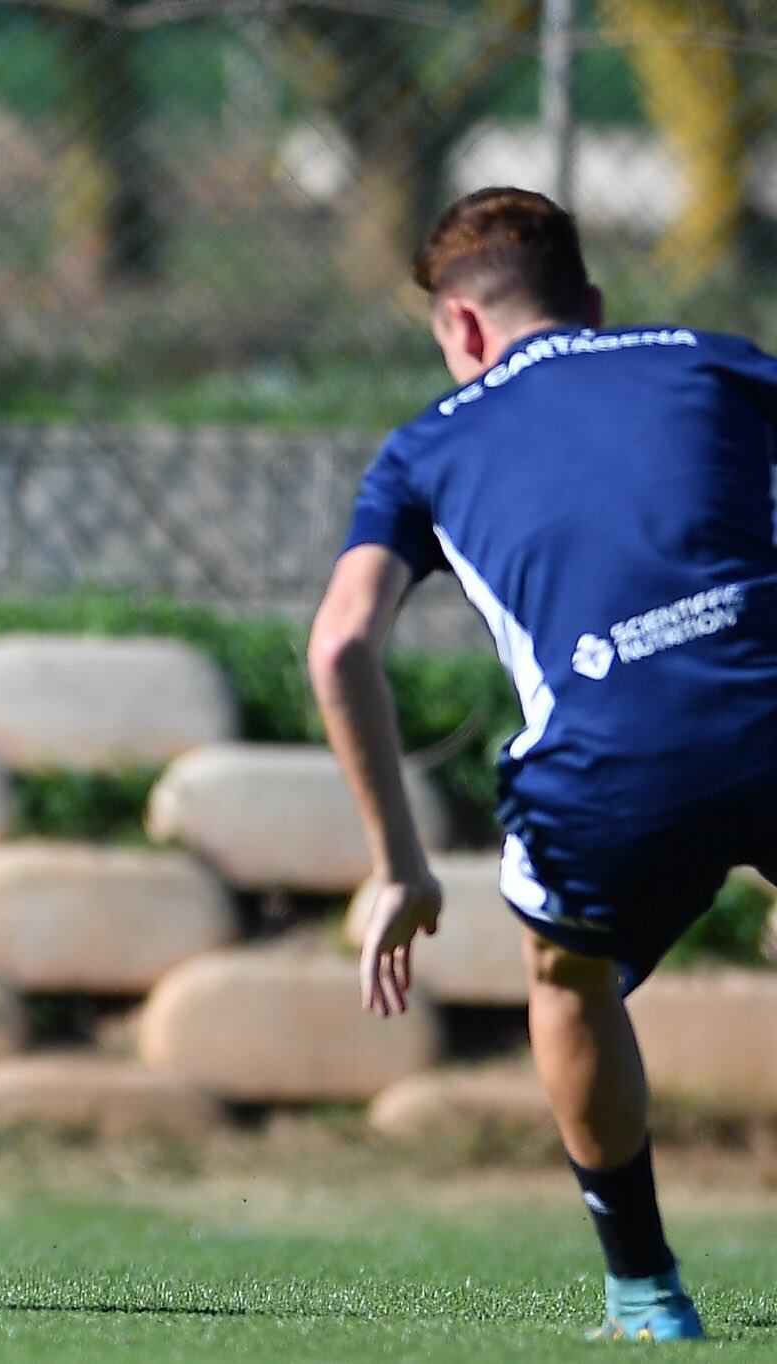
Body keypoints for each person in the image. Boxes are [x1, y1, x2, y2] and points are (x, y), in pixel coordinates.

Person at [311, 185, 777, 1342]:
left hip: (608, 770)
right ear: (592, 304)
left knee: (564, 980)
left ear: (460, 331)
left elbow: (337, 644)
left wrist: (399, 865)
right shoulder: (719, 361)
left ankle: (643, 1291)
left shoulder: (424, 445)